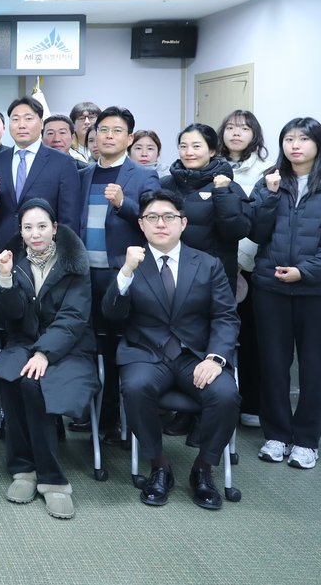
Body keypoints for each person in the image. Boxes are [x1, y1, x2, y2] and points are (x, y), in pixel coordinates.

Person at [102, 189, 240, 510]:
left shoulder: (207, 264)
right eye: (152, 217)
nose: (160, 224)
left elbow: (225, 316)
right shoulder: (127, 262)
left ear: (183, 223)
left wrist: (216, 358)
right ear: (141, 224)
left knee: (225, 394)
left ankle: (203, 469)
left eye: (169, 217)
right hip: (146, 354)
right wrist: (126, 273)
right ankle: (159, 466)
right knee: (135, 388)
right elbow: (111, 315)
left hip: (196, 356)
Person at [248, 117, 321, 470]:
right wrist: (268, 196)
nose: (295, 145)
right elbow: (254, 231)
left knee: (316, 367)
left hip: (319, 290)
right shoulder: (270, 180)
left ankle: (306, 441)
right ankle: (276, 435)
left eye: (303, 139)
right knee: (272, 365)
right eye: (288, 139)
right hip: (270, 287)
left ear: (318, 144)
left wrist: (306, 272)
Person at [0, 198, 97, 520]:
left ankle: (52, 479)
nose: (35, 234)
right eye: (28, 228)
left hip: (69, 347)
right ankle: (23, 469)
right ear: (21, 232)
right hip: (24, 343)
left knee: (32, 383)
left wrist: (44, 352)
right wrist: (5, 278)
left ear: (54, 228)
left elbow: (74, 317)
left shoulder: (74, 262)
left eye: (41, 226)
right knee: (9, 377)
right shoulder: (14, 260)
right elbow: (10, 315)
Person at [73, 106, 160, 442]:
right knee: (89, 346)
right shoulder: (83, 175)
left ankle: (115, 419)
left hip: (121, 276)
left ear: (130, 137)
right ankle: (91, 412)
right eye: (103, 130)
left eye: (117, 131)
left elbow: (153, 221)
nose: (108, 136)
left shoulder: (143, 176)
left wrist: (124, 204)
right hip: (84, 276)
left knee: (117, 348)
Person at [218, 110, 272, 428]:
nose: (236, 133)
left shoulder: (268, 171)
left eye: (244, 128)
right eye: (230, 127)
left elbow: (262, 219)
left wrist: (241, 260)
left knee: (252, 338)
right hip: (214, 265)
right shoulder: (211, 165)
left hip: (249, 265)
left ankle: (251, 402)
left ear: (255, 134)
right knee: (214, 333)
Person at [0, 96, 82, 259]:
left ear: (41, 123)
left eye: (28, 118)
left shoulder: (63, 163)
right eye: (15, 119)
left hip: (46, 254)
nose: (21, 125)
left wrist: (62, 258)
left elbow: (69, 217)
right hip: (2, 252)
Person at [160, 123, 250, 292]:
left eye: (196, 146)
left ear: (212, 151)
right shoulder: (165, 184)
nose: (189, 152)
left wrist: (222, 193)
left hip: (213, 277)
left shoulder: (228, 186)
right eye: (183, 146)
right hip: (169, 274)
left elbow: (237, 231)